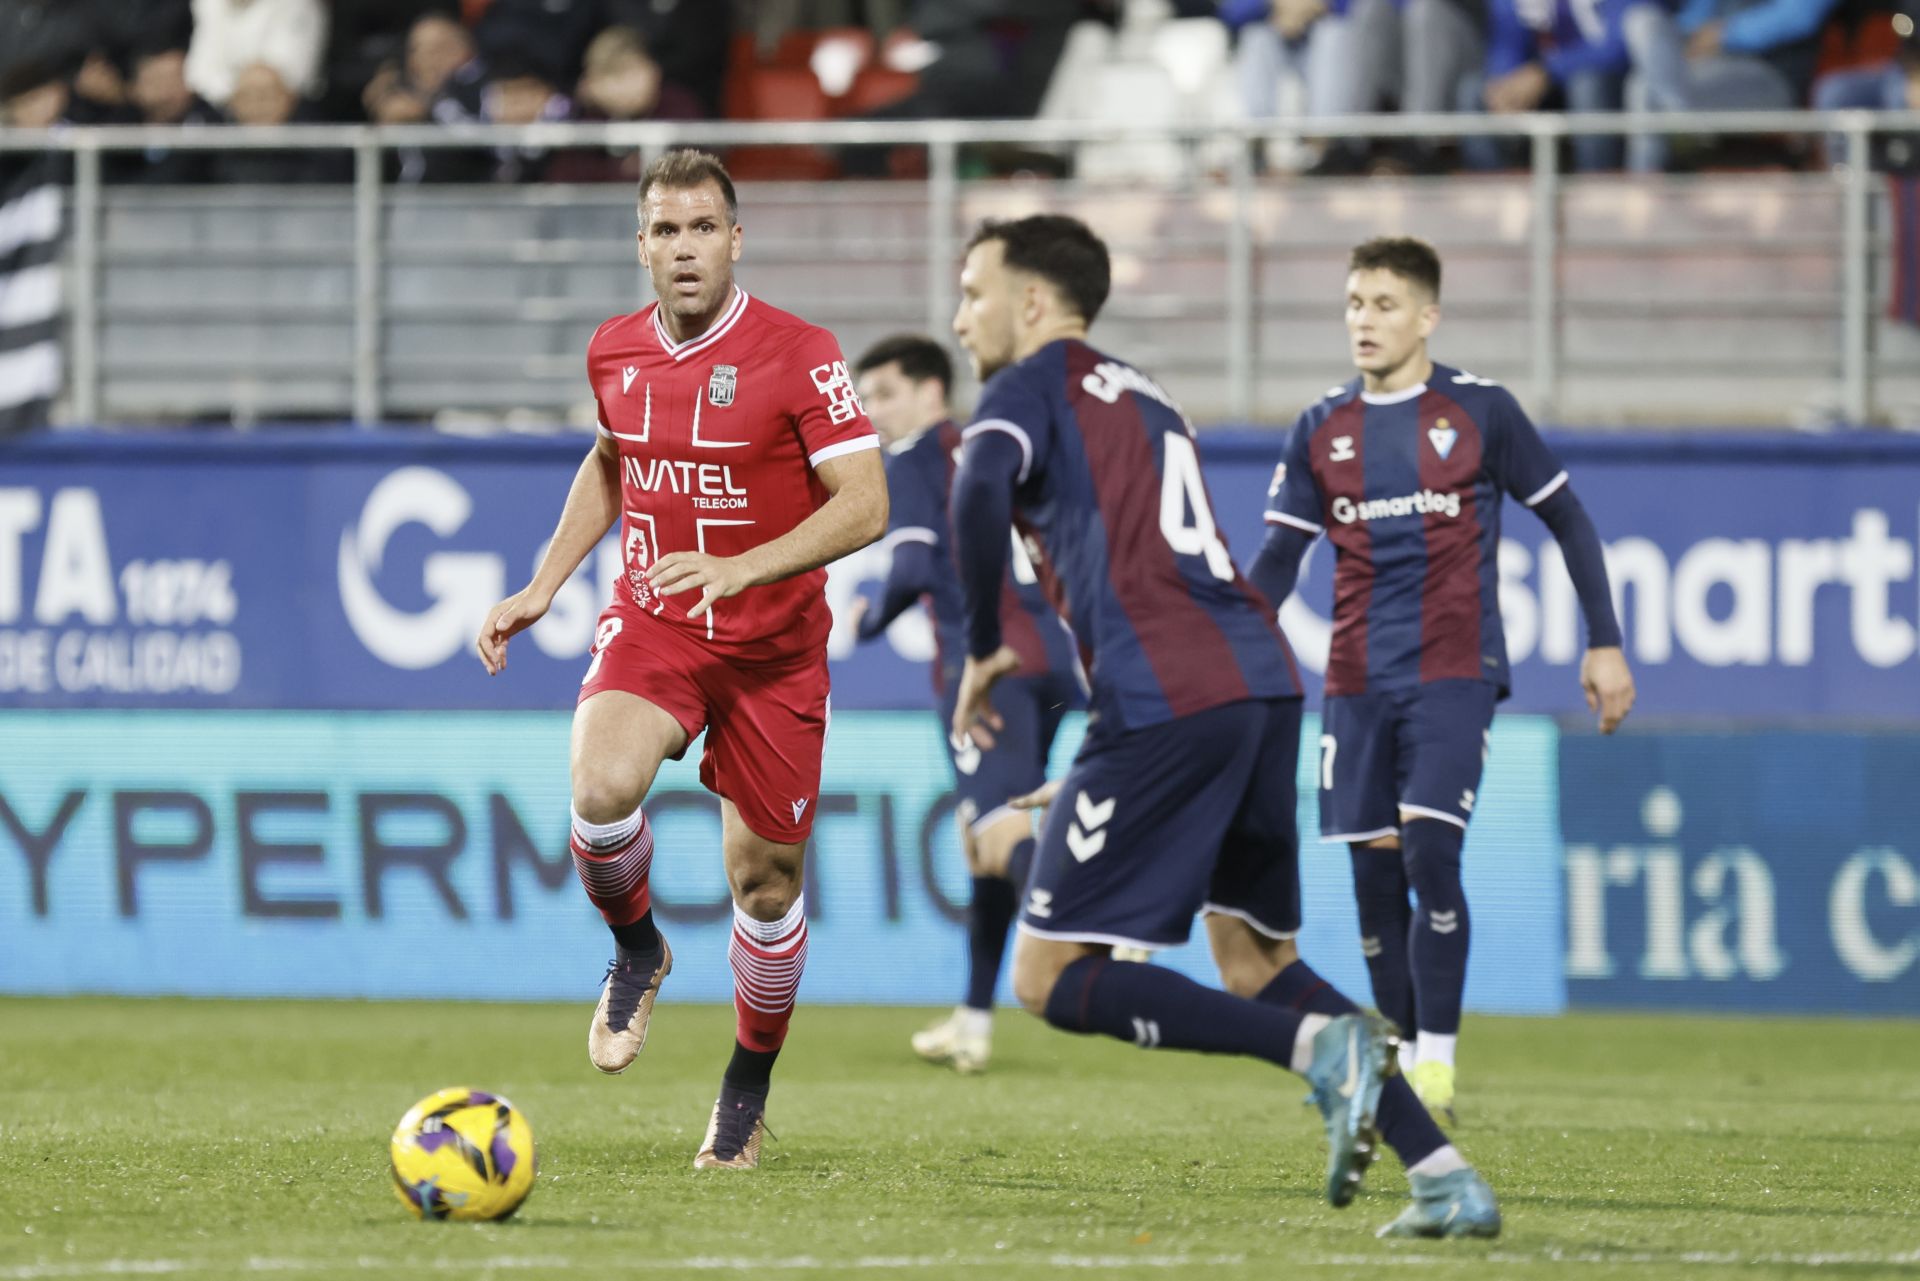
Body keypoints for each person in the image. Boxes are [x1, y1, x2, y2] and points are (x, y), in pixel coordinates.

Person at [948, 214, 1499, 1239]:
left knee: (1047, 978)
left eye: (973, 292)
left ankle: (1310, 1054)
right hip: (1256, 682)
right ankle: (1443, 1173)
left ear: (1031, 302)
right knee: (1253, 958)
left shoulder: (1031, 383)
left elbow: (977, 485)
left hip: (1168, 697)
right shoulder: (1148, 393)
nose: (958, 316)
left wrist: (982, 641)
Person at [475, 149, 888, 1171]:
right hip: (660, 618)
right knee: (600, 785)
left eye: (703, 228)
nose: (684, 248)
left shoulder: (801, 352)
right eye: (665, 230)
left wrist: (748, 568)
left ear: (736, 240)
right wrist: (543, 584)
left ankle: (743, 1095)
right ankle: (638, 949)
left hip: (775, 654)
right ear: (641, 246)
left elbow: (867, 503)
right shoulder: (614, 350)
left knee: (765, 890)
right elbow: (614, 459)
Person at [1249, 236, 1635, 1124]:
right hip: (1352, 682)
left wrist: (1604, 641)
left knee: (1431, 851)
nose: (1364, 320)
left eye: (1384, 304)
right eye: (1353, 303)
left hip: (1455, 671)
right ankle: (1407, 1055)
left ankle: (1436, 1067)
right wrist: (1221, 634)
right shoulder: (1321, 426)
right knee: (1374, 884)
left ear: (1427, 316)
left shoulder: (1481, 411)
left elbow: (1569, 519)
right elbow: (1277, 558)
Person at [849, 333, 1080, 1075]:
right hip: (1057, 656)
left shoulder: (914, 457)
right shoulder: (994, 449)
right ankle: (974, 1019)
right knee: (980, 843)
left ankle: (1085, 923)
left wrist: (866, 619)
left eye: (884, 393)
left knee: (998, 826)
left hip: (988, 667)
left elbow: (911, 563)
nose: (873, 410)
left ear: (928, 391)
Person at [1621, 0, 1841, 171]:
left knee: (1646, 91)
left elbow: (1801, 15)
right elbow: (1694, 20)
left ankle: (1645, 191)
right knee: (1643, 23)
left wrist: (1726, 34)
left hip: (1771, 74)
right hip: (1705, 69)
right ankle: (1682, 120)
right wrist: (1684, 39)